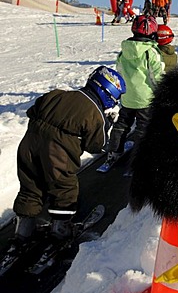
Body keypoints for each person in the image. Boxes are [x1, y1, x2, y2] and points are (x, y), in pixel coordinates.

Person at [13, 66, 126, 242]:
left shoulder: (58, 94)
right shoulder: (95, 114)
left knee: (31, 185)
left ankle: (23, 232)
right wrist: (108, 124)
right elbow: (97, 146)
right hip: (57, 155)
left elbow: (33, 110)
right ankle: (61, 229)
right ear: (108, 94)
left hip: (28, 145)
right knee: (64, 189)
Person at [105, 15, 165, 163]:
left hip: (127, 96)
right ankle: (140, 156)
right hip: (146, 98)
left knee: (122, 124)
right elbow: (157, 76)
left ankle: (113, 151)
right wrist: (162, 92)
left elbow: (119, 72)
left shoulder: (123, 51)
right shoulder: (150, 52)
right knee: (143, 127)